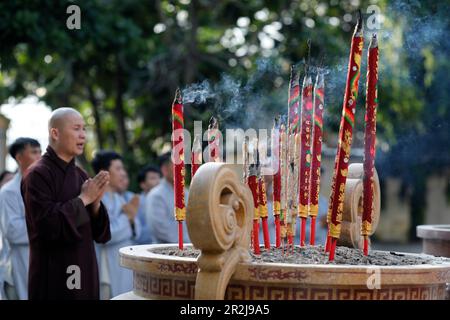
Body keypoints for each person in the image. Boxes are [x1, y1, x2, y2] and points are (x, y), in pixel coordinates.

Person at [21, 107, 111, 300]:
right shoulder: (37, 174)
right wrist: (84, 199)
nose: (83, 135)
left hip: (84, 264)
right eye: (77, 129)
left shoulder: (80, 174)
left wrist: (95, 204)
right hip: (54, 269)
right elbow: (46, 224)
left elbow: (100, 235)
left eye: (84, 129)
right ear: (55, 133)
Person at [91, 151, 141, 299]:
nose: (122, 173)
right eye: (118, 169)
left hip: (123, 261)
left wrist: (131, 220)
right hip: (107, 262)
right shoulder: (95, 200)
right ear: (103, 172)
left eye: (123, 169)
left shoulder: (119, 198)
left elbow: (135, 231)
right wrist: (128, 218)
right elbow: (106, 234)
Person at [0, 138, 41, 300]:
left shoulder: (46, 188)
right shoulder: (8, 192)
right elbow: (13, 232)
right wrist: (47, 224)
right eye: (33, 152)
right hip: (17, 267)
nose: (39, 156)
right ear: (19, 158)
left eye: (40, 151)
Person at [145, 152, 190, 244]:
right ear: (165, 170)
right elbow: (161, 230)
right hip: (166, 252)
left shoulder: (187, 192)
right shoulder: (156, 195)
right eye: (178, 165)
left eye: (183, 165)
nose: (182, 169)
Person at [134, 165, 161, 244]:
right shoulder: (137, 202)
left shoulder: (164, 201)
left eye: (159, 178)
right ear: (143, 184)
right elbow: (136, 234)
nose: (158, 181)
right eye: (153, 178)